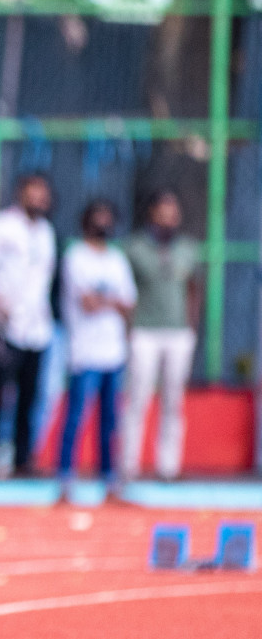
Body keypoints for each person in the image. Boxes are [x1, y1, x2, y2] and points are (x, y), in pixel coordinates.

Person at [0, 172, 57, 477]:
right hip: (5, 323)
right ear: (20, 193)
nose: (38, 200)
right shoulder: (2, 225)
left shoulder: (46, 231)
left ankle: (22, 460)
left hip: (37, 327)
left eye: (43, 194)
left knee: (30, 395)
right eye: (33, 193)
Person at [119, 190, 201, 482]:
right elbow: (124, 290)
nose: (169, 220)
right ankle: (128, 467)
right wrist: (129, 328)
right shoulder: (135, 247)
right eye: (162, 214)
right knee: (137, 398)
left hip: (178, 333)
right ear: (151, 215)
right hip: (144, 331)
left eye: (173, 214)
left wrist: (191, 326)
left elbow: (194, 288)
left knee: (173, 402)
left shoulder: (187, 249)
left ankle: (168, 468)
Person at [57, 200, 136, 490]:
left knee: (110, 420)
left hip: (113, 350)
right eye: (97, 215)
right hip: (84, 349)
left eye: (107, 215)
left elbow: (130, 304)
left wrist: (107, 301)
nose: (103, 221)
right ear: (86, 220)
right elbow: (88, 303)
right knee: (76, 416)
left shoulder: (117, 258)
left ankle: (109, 477)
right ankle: (65, 475)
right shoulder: (75, 256)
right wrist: (112, 301)